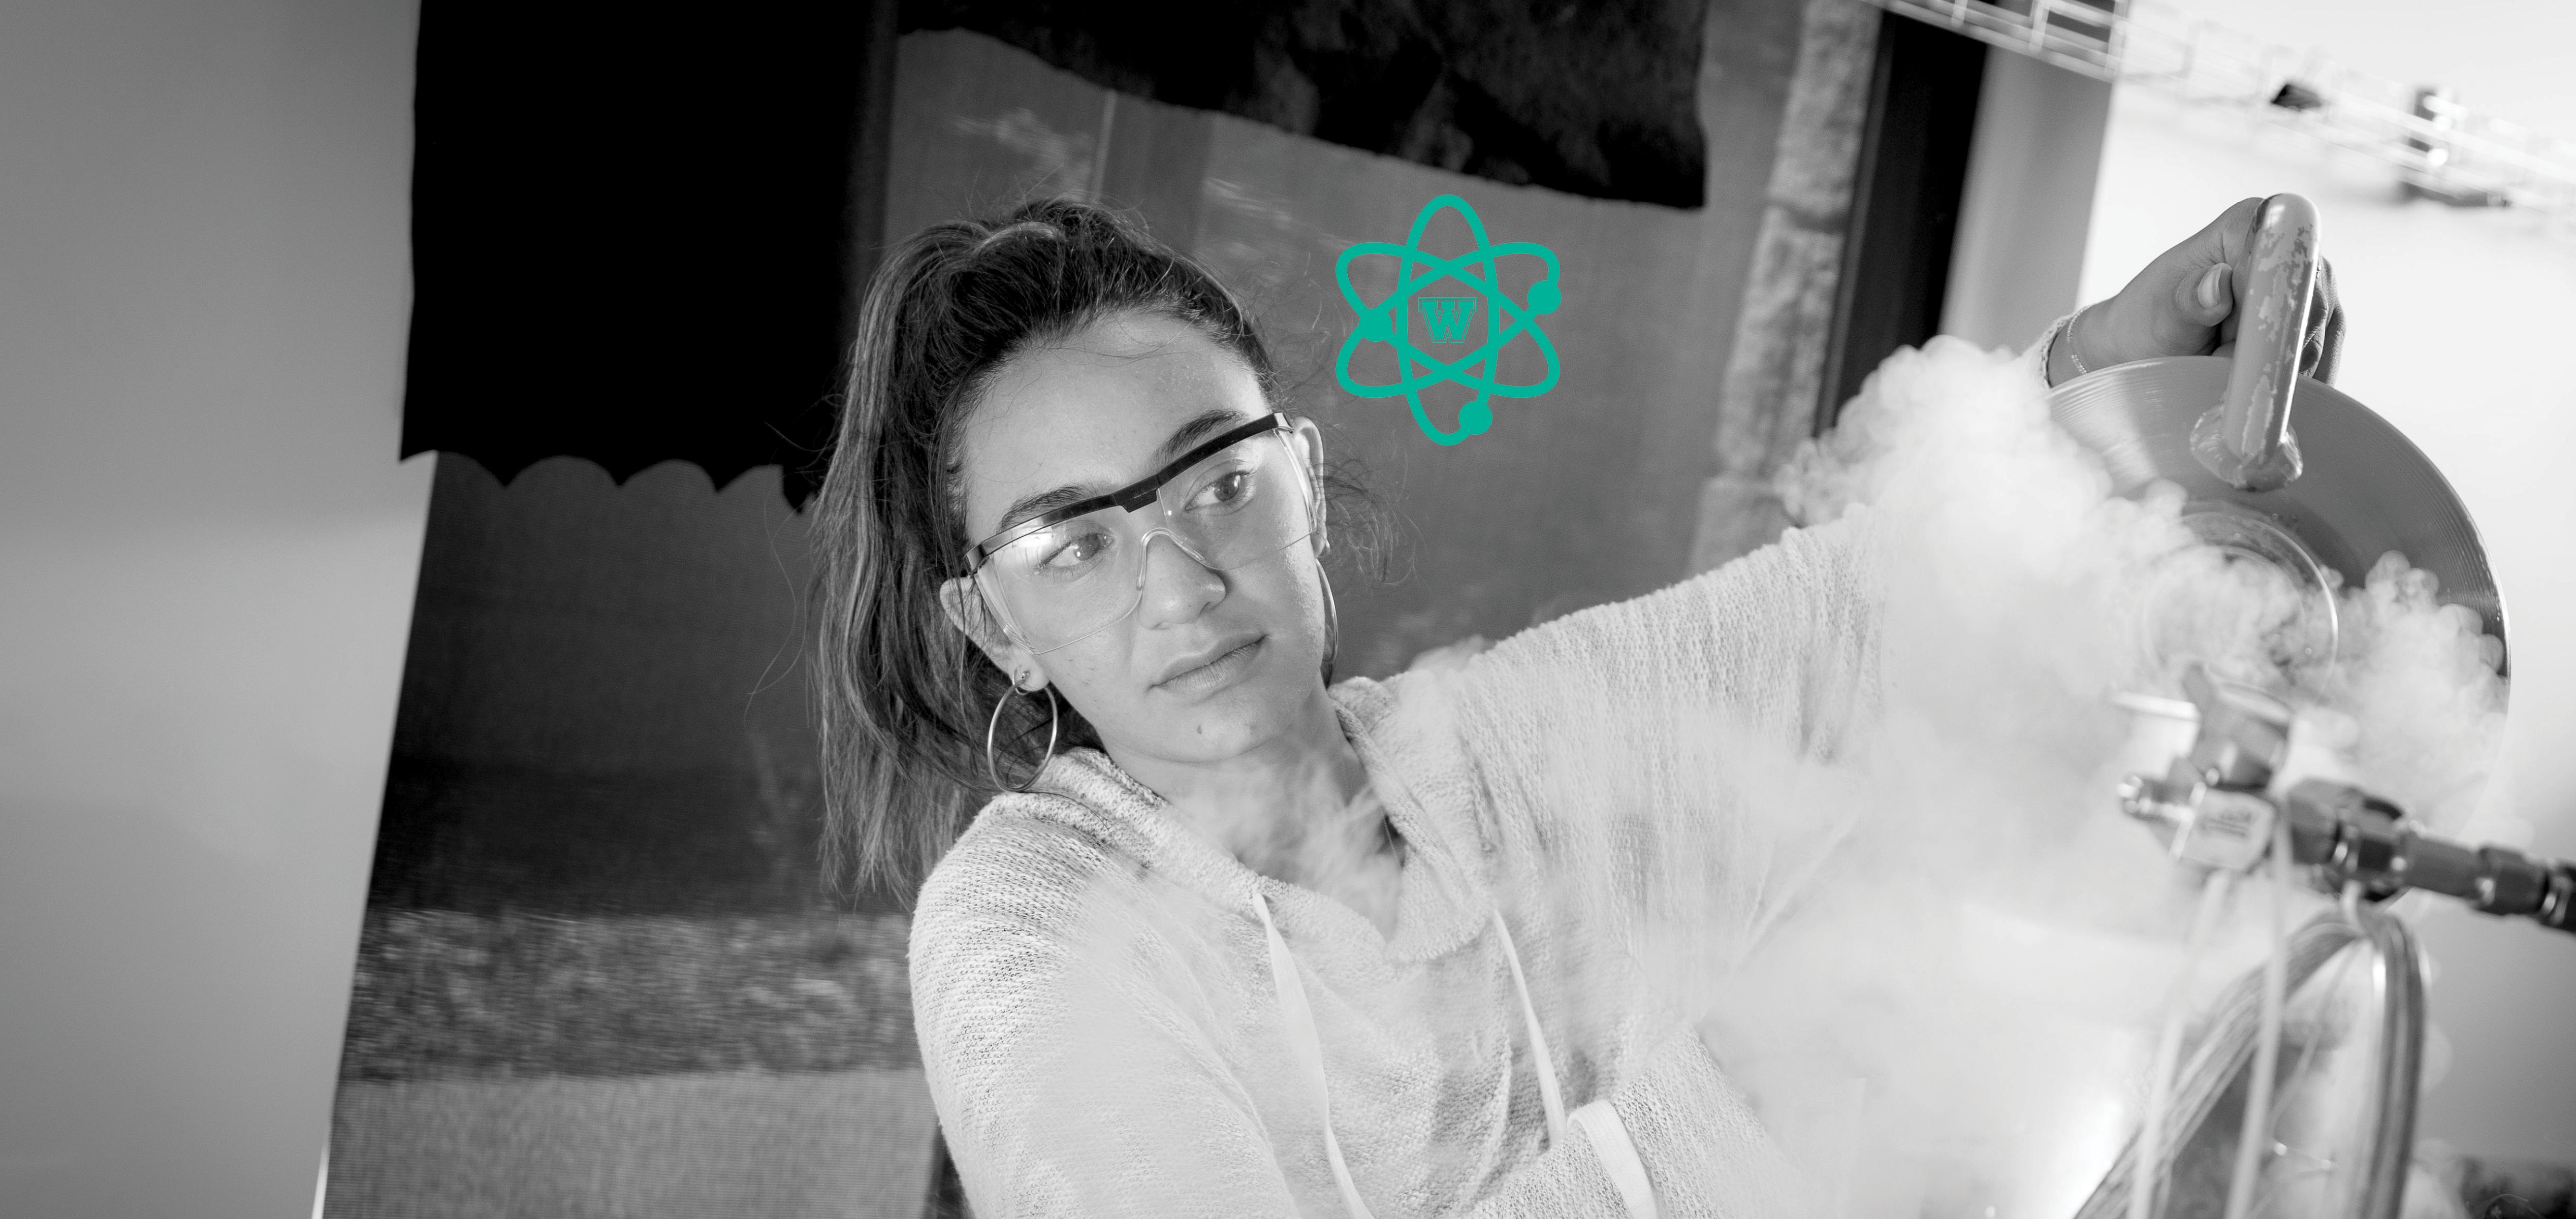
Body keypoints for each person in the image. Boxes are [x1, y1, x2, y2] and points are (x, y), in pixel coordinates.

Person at [813, 195, 2336, 1218]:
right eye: (1076, 541)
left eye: (1220, 482)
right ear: (992, 623)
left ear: (1308, 487)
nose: (1181, 584)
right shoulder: (1026, 925)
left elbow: (1860, 603)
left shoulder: (1496, 753)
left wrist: (2103, 374)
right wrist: (1738, 1098)